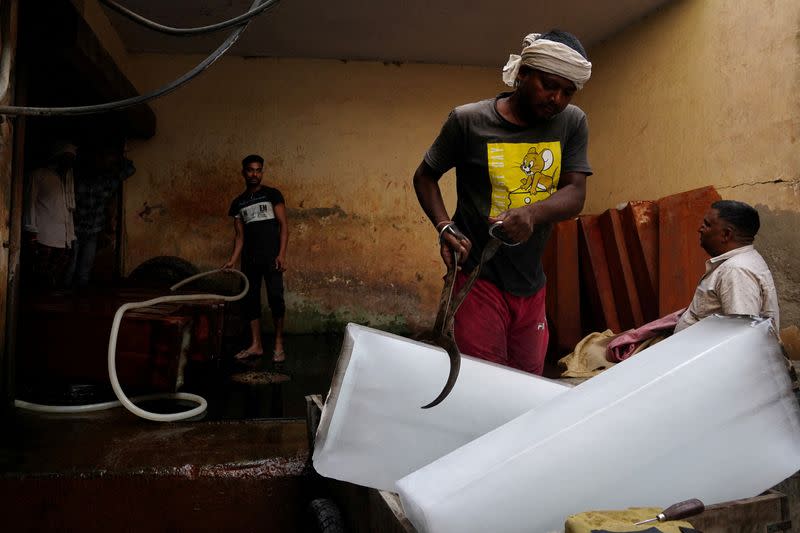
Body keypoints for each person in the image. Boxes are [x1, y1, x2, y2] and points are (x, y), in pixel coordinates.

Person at [413, 30, 593, 375]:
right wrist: (444, 226)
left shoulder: (572, 122)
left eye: (567, 92)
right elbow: (425, 177)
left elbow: (575, 194)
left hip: (531, 284)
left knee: (526, 383)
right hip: (478, 280)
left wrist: (531, 212)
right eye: (549, 85)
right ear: (523, 73)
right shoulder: (468, 121)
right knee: (482, 381)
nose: (557, 99)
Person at [674, 199, 779, 332]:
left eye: (707, 224)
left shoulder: (736, 271)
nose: (700, 229)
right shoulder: (742, 261)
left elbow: (741, 334)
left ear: (726, 234)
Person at [223, 154, 289, 362]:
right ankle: (256, 345)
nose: (254, 174)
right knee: (250, 300)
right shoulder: (238, 203)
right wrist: (233, 259)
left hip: (272, 257)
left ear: (262, 172)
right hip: (250, 259)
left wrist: (281, 254)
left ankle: (278, 344)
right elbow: (240, 236)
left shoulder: (272, 194)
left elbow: (284, 226)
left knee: (276, 298)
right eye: (250, 170)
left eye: (258, 170)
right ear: (244, 172)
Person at [65, 139, 136, 288]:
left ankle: (79, 302)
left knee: (84, 272)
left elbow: (130, 169)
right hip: (74, 231)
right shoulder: (76, 177)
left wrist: (116, 157)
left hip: (92, 232)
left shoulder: (107, 180)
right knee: (69, 270)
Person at [23, 141, 78, 289]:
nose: (69, 164)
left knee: (53, 280)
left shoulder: (67, 180)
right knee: (38, 279)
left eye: (72, 160)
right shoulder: (38, 175)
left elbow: (69, 210)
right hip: (44, 237)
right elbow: (30, 204)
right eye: (67, 159)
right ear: (57, 157)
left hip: (63, 239)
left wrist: (71, 236)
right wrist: (31, 231)